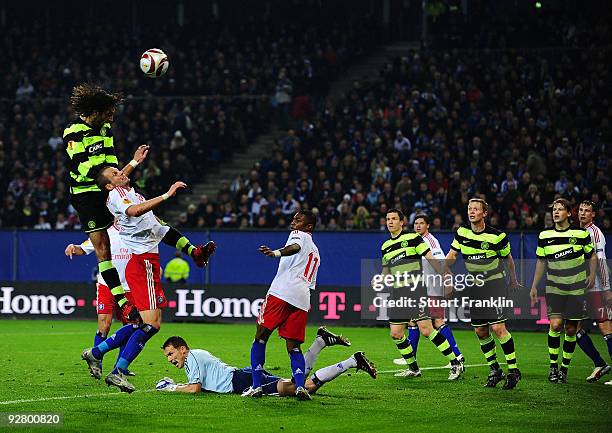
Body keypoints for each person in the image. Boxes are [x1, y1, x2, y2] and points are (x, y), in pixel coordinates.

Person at [82, 167, 215, 392]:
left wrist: (193, 251)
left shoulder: (129, 192)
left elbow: (163, 230)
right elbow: (133, 211)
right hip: (143, 263)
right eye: (115, 173)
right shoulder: (118, 196)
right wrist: (167, 195)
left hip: (146, 263)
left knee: (141, 324)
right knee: (151, 324)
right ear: (109, 185)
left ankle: (97, 354)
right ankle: (117, 371)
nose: (121, 171)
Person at [63, 83, 147, 323]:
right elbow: (82, 165)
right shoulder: (73, 131)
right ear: (95, 110)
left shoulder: (105, 128)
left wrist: (126, 168)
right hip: (85, 192)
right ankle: (122, 303)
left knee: (142, 214)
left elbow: (111, 159)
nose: (111, 116)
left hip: (106, 186)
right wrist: (110, 177)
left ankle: (189, 249)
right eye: (108, 112)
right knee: (103, 250)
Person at [156, 329, 376, 396]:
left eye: (171, 353)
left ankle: (328, 348)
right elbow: (199, 385)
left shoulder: (193, 357)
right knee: (302, 384)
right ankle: (333, 350)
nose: (170, 358)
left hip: (242, 381)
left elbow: (194, 389)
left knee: (301, 386)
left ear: (182, 349)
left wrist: (171, 387)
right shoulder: (191, 359)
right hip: (241, 377)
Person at [445, 198, 522, 390]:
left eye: (476, 209)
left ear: (484, 213)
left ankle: (513, 370)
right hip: (475, 287)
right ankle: (495, 369)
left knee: (498, 328)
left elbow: (508, 260)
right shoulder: (462, 233)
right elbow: (452, 256)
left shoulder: (497, 236)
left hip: (495, 285)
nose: (471, 212)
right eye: (469, 208)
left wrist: (513, 280)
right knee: (480, 331)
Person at [244, 210, 320, 400]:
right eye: (294, 218)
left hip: (282, 292)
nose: (293, 222)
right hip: (302, 298)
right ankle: (300, 387)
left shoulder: (299, 235)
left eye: (299, 220)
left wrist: (276, 253)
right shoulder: (316, 251)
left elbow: (294, 246)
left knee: (260, 337)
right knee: (293, 347)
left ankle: (256, 386)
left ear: (308, 226)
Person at [381, 209, 464, 380]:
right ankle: (413, 369)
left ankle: (455, 363)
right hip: (398, 294)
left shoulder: (413, 238)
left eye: (394, 219)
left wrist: (445, 279)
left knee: (427, 330)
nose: (390, 222)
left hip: (415, 291)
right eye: (388, 219)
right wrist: (380, 280)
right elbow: (386, 271)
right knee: (396, 333)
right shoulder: (385, 246)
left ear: (402, 222)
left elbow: (432, 259)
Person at [530, 198, 596, 384]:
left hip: (576, 287)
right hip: (555, 287)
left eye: (560, 209)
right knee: (556, 325)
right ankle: (553, 366)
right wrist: (534, 285)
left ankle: (564, 369)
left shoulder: (581, 234)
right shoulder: (545, 236)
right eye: (554, 210)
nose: (556, 212)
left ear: (569, 213)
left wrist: (591, 276)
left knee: (571, 328)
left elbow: (591, 256)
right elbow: (541, 262)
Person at [65, 222, 135, 376]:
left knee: (130, 326)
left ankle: (120, 367)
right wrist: (73, 247)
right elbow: (82, 249)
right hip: (107, 285)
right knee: (105, 324)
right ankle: (96, 362)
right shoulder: (103, 232)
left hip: (130, 287)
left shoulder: (136, 230)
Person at [576, 200, 612, 383]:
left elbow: (601, 261)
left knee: (606, 327)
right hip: (579, 287)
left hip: (596, 287)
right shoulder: (576, 232)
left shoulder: (595, 233)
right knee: (574, 328)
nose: (583, 213)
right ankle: (599, 363)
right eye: (581, 210)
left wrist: (606, 288)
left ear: (593, 215)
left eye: (587, 211)